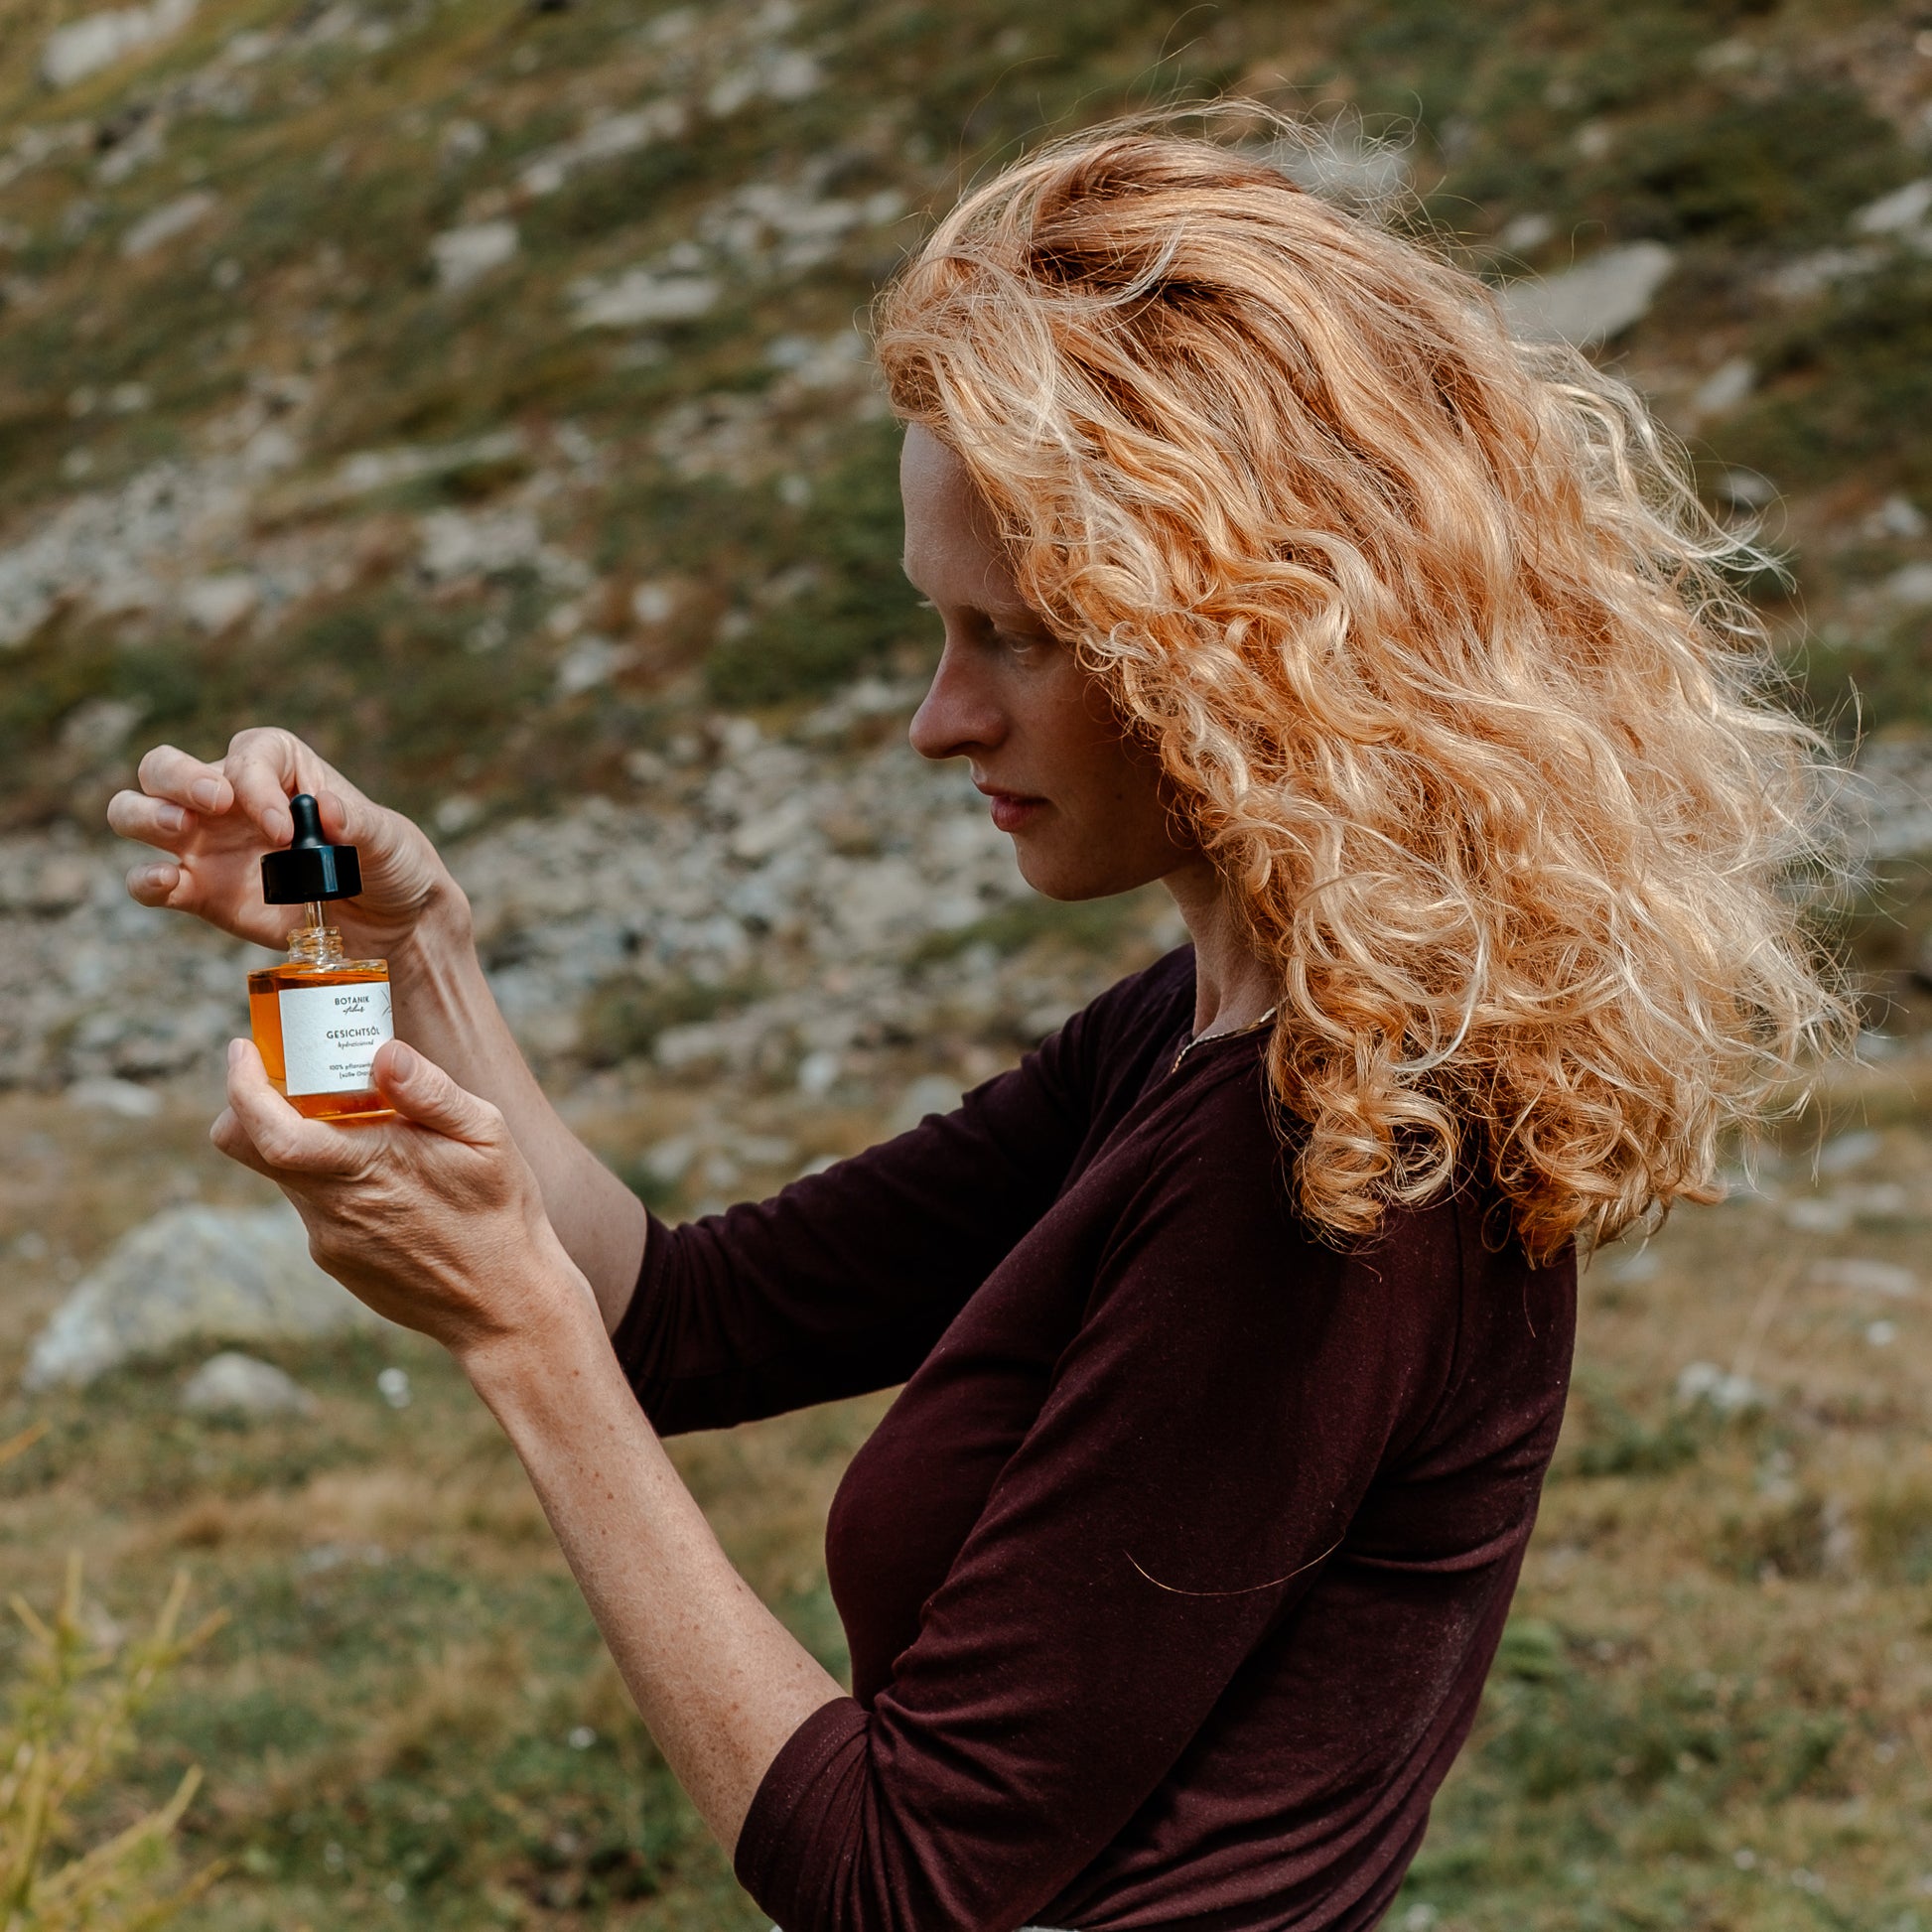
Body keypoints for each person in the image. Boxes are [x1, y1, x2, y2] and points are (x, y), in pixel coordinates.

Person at [107, 118, 1847, 1932]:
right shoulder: (1207, 1034)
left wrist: (512, 1336)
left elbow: (902, 1880)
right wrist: (426, 956)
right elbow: (687, 1314)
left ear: (1238, 645)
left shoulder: (1331, 1162)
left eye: (1009, 637)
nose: (940, 720)